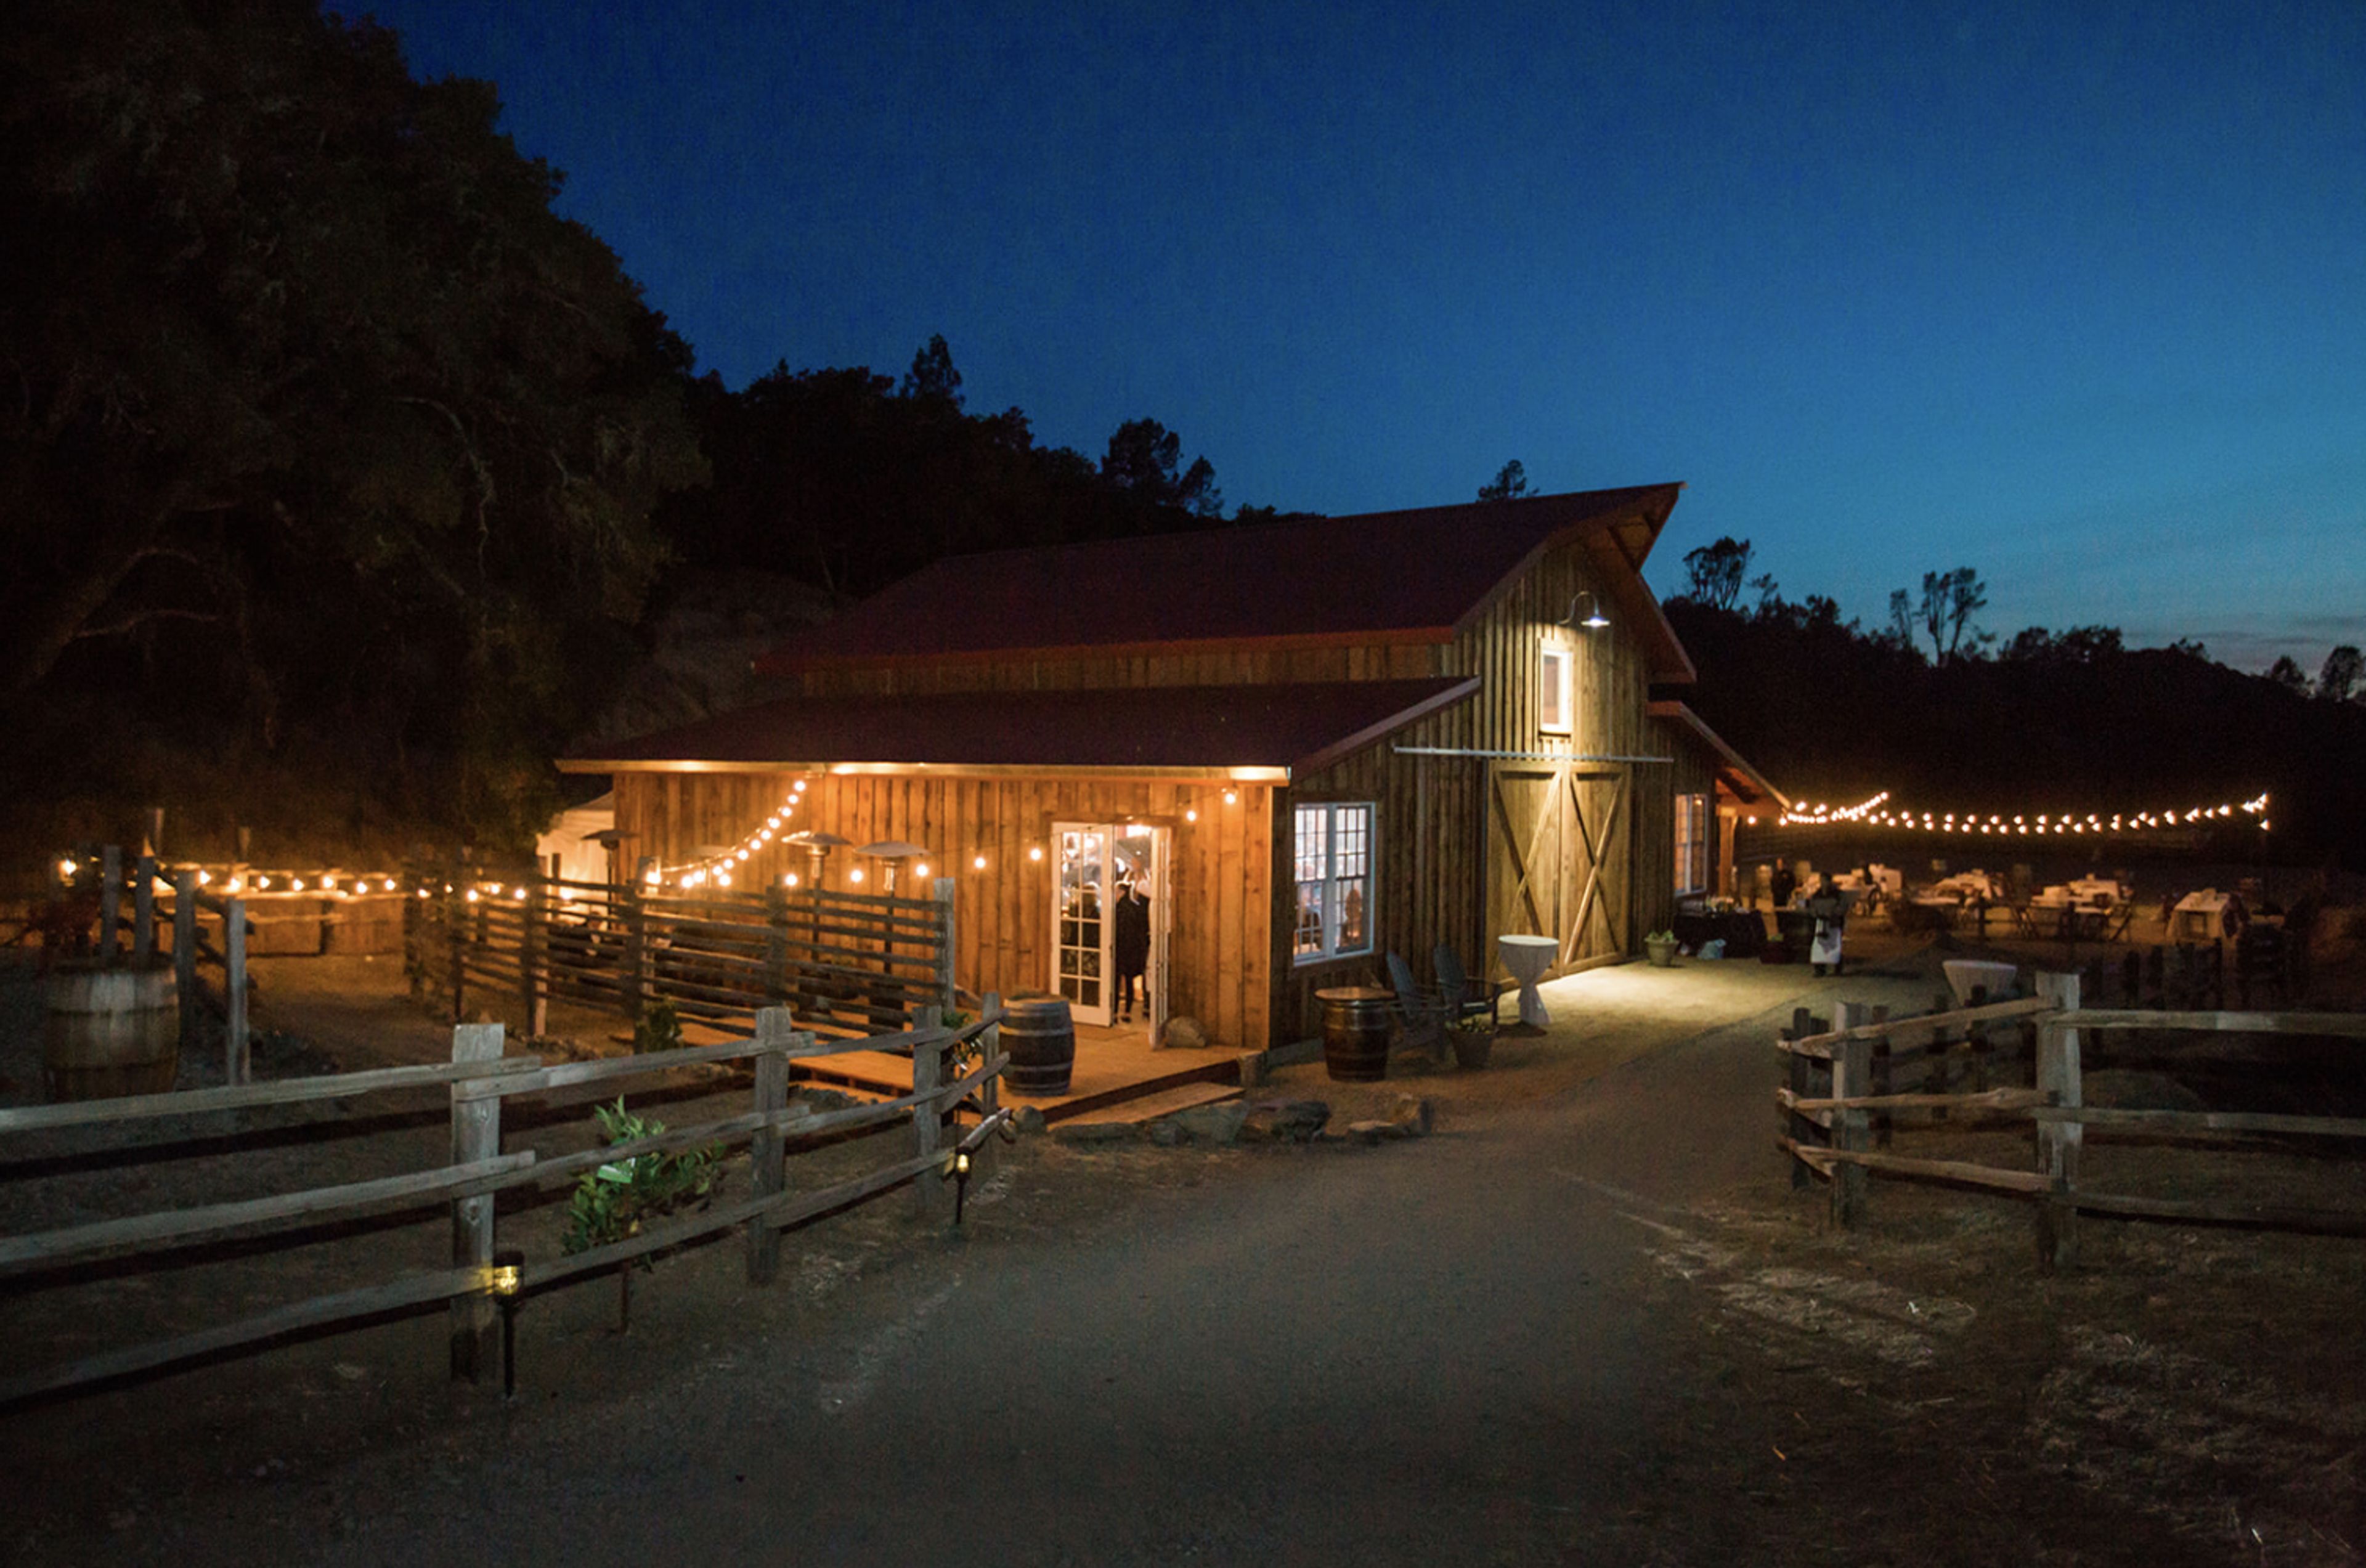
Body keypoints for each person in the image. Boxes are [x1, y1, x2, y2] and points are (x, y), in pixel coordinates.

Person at [1113, 877, 1150, 1022]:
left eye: (1116, 892)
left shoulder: (1117, 909)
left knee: (1116, 981)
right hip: (1133, 950)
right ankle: (1127, 1012)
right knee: (1129, 981)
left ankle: (1115, 1011)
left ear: (1122, 892)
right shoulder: (1136, 908)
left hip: (1120, 948)